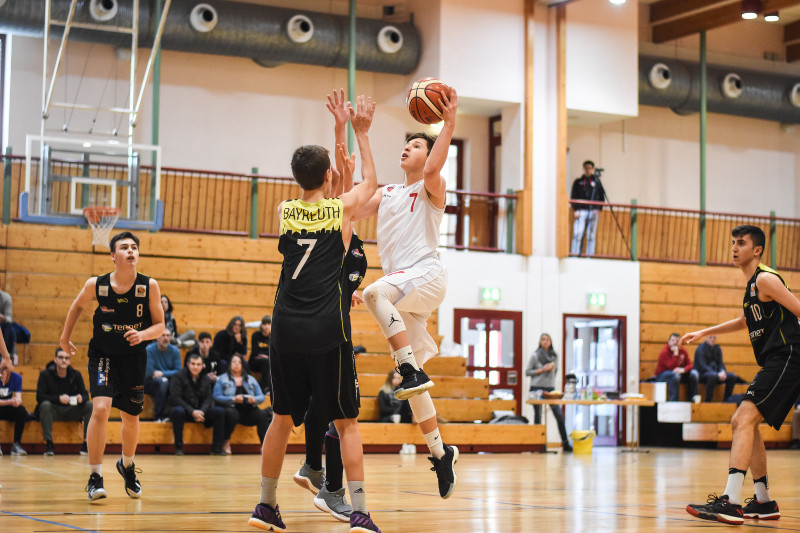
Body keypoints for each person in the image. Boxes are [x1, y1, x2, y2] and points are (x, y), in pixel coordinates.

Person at [247, 94, 380, 533]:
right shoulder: (339, 212)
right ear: (328, 176)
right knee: (347, 424)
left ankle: (266, 506)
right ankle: (358, 512)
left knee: (281, 419)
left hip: (285, 328)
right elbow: (368, 184)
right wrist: (358, 131)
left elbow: (331, 181)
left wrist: (337, 133)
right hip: (327, 330)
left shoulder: (286, 211)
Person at [356, 87, 459, 500]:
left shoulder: (431, 188)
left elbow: (434, 167)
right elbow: (353, 205)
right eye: (405, 143)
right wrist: (359, 135)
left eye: (415, 144)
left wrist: (448, 124)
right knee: (412, 388)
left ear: (429, 154)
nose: (406, 148)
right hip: (403, 289)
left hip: (426, 276)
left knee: (374, 293)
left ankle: (409, 366)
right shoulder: (389, 193)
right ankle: (441, 452)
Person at [684, 225, 800, 524]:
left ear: (757, 249)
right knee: (750, 424)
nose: (734, 248)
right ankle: (763, 503)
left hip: (788, 356)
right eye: (733, 242)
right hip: (777, 360)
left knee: (741, 419)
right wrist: (703, 332)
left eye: (741, 243)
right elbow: (743, 320)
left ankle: (731, 501)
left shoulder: (765, 279)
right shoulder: (751, 287)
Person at [60, 231, 165, 501]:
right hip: (103, 354)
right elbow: (77, 306)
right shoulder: (97, 284)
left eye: (134, 247)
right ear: (113, 256)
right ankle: (95, 476)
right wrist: (64, 337)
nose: (131, 251)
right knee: (101, 409)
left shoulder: (149, 286)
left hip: (133, 357)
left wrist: (143, 335)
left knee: (131, 418)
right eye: (124, 247)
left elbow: (160, 326)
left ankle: (127, 466)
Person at [167, 353, 230, 455]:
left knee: (219, 412)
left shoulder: (206, 378)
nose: (195, 367)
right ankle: (179, 448)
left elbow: (208, 399)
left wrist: (201, 411)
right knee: (177, 411)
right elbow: (175, 398)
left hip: (200, 412)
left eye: (198, 364)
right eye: (193, 364)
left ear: (202, 366)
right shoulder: (178, 376)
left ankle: (217, 448)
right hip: (184, 411)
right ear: (188, 364)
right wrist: (192, 411)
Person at [35, 347, 92, 456]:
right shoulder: (45, 374)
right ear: (55, 359)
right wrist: (58, 398)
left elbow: (85, 395)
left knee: (90, 405)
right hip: (54, 410)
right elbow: (40, 397)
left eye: (66, 358)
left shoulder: (76, 374)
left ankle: (86, 443)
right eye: (61, 357)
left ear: (69, 360)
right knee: (45, 405)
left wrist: (81, 398)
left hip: (72, 410)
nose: (64, 360)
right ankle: (49, 444)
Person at [213, 353, 271, 455]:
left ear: (243, 365)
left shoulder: (250, 379)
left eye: (239, 362)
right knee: (231, 414)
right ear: (230, 364)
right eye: (234, 362)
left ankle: (265, 446)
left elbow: (261, 397)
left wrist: (254, 399)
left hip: (248, 410)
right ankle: (226, 442)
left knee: (262, 415)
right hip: (231, 408)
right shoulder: (222, 378)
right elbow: (216, 396)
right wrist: (233, 399)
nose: (236, 364)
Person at [526, 333, 572, 452]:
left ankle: (565, 443)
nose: (545, 342)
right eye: (543, 339)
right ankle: (538, 445)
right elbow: (527, 372)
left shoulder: (554, 356)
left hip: (550, 389)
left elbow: (555, 371)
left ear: (550, 342)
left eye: (547, 340)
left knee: (559, 416)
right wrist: (542, 370)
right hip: (537, 388)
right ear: (540, 342)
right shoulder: (535, 356)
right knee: (538, 416)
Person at [569, 160, 606, 256]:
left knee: (591, 235)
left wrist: (599, 208)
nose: (588, 170)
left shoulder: (597, 182)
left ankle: (590, 255)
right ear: (583, 169)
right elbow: (573, 196)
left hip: (593, 211)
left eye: (590, 168)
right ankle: (574, 253)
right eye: (586, 168)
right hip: (581, 211)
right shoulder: (578, 182)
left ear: (593, 169)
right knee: (578, 233)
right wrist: (576, 209)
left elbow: (602, 196)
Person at [144, 329, 182, 421]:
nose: (166, 338)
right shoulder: (149, 350)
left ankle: (173, 415)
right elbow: (149, 373)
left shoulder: (175, 351)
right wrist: (167, 375)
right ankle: (158, 417)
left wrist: (162, 373)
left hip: (167, 381)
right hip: (150, 383)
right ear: (157, 337)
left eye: (168, 335)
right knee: (163, 382)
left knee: (173, 383)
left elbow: (179, 372)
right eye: (163, 335)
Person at [654, 333, 699, 402]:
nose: (675, 343)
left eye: (677, 341)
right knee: (675, 376)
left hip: (677, 375)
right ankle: (674, 402)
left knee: (694, 374)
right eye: (672, 340)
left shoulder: (683, 351)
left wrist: (684, 369)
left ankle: (692, 400)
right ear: (669, 342)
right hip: (662, 376)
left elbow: (690, 365)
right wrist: (676, 353)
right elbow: (672, 367)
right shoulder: (665, 352)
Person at [693, 335, 739, 402]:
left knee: (733, 376)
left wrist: (722, 371)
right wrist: (717, 374)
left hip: (716, 374)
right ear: (706, 338)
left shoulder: (718, 348)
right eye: (710, 337)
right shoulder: (700, 348)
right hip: (702, 374)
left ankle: (727, 400)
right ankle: (708, 401)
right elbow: (702, 366)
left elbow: (720, 363)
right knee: (712, 376)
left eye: (714, 338)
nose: (712, 339)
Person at [0, 360, 29, 455]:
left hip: (8, 408)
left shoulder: (17, 378)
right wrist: (9, 401)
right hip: (3, 405)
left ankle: (16, 444)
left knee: (21, 411)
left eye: (10, 365)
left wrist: (17, 401)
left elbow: (18, 397)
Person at [249, 316, 271, 393]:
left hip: (269, 361)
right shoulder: (255, 335)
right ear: (261, 325)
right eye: (264, 324)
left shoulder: (275, 337)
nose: (267, 326)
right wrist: (268, 355)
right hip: (255, 362)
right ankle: (266, 387)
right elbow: (255, 352)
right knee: (266, 362)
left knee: (268, 361)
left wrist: (267, 356)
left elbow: (275, 352)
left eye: (269, 324)